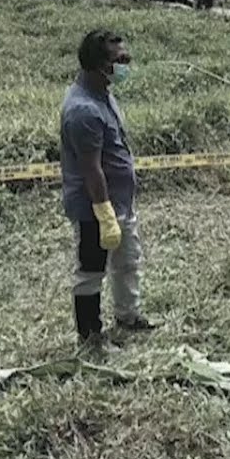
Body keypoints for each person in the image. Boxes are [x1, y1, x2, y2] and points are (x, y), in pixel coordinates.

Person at [61, 30, 156, 357]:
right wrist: (104, 215)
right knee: (91, 270)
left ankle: (128, 316)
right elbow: (91, 168)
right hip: (95, 207)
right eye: (120, 61)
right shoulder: (83, 110)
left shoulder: (105, 95)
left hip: (119, 200)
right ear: (99, 65)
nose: (126, 65)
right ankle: (90, 336)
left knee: (128, 262)